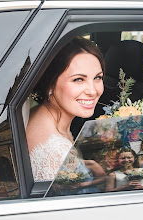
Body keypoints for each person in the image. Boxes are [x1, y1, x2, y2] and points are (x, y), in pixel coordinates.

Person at [26, 37, 105, 183]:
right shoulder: (56, 151)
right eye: (78, 79)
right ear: (50, 83)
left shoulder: (38, 114)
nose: (93, 91)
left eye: (97, 78)